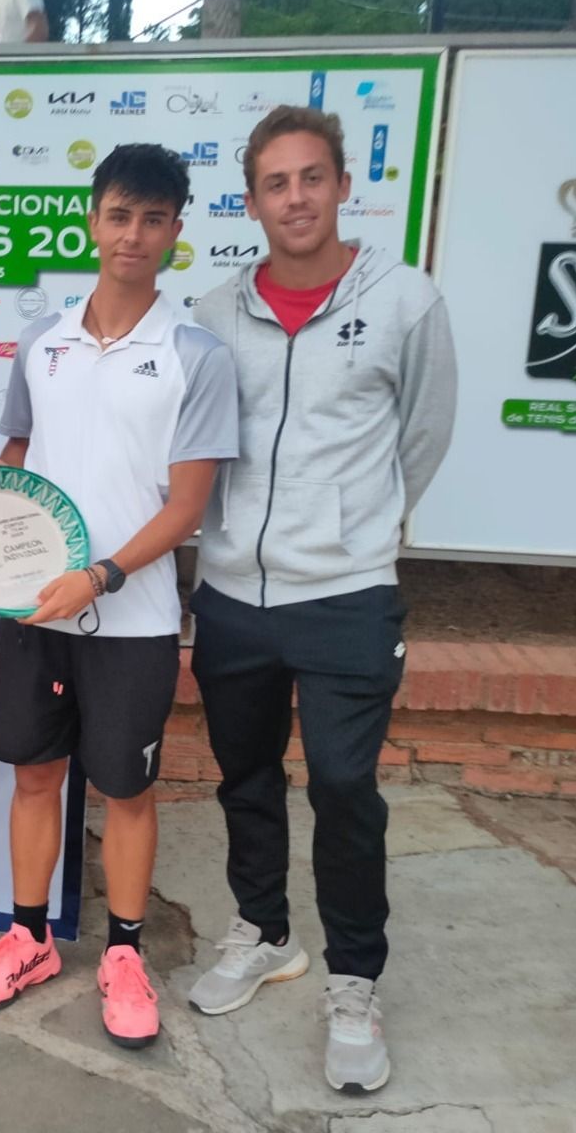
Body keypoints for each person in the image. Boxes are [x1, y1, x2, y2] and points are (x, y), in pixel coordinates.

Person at [185, 106, 457, 1094]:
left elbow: (420, 438)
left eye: (311, 178)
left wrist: (359, 530)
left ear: (342, 185)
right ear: (251, 199)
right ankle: (263, 932)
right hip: (232, 597)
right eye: (274, 183)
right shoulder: (212, 314)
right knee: (244, 777)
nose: (293, 198)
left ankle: (354, 979)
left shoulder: (405, 302)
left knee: (345, 788)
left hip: (346, 594)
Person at [0, 144, 239, 1050]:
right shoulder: (43, 341)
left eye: (154, 220)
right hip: (39, 612)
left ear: (176, 233)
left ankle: (123, 954)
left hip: (137, 618)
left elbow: (187, 508)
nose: (134, 235)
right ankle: (29, 937)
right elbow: (12, 461)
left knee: (126, 788)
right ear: (92, 219)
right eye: (120, 215)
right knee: (35, 775)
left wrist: (104, 574)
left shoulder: (195, 355)